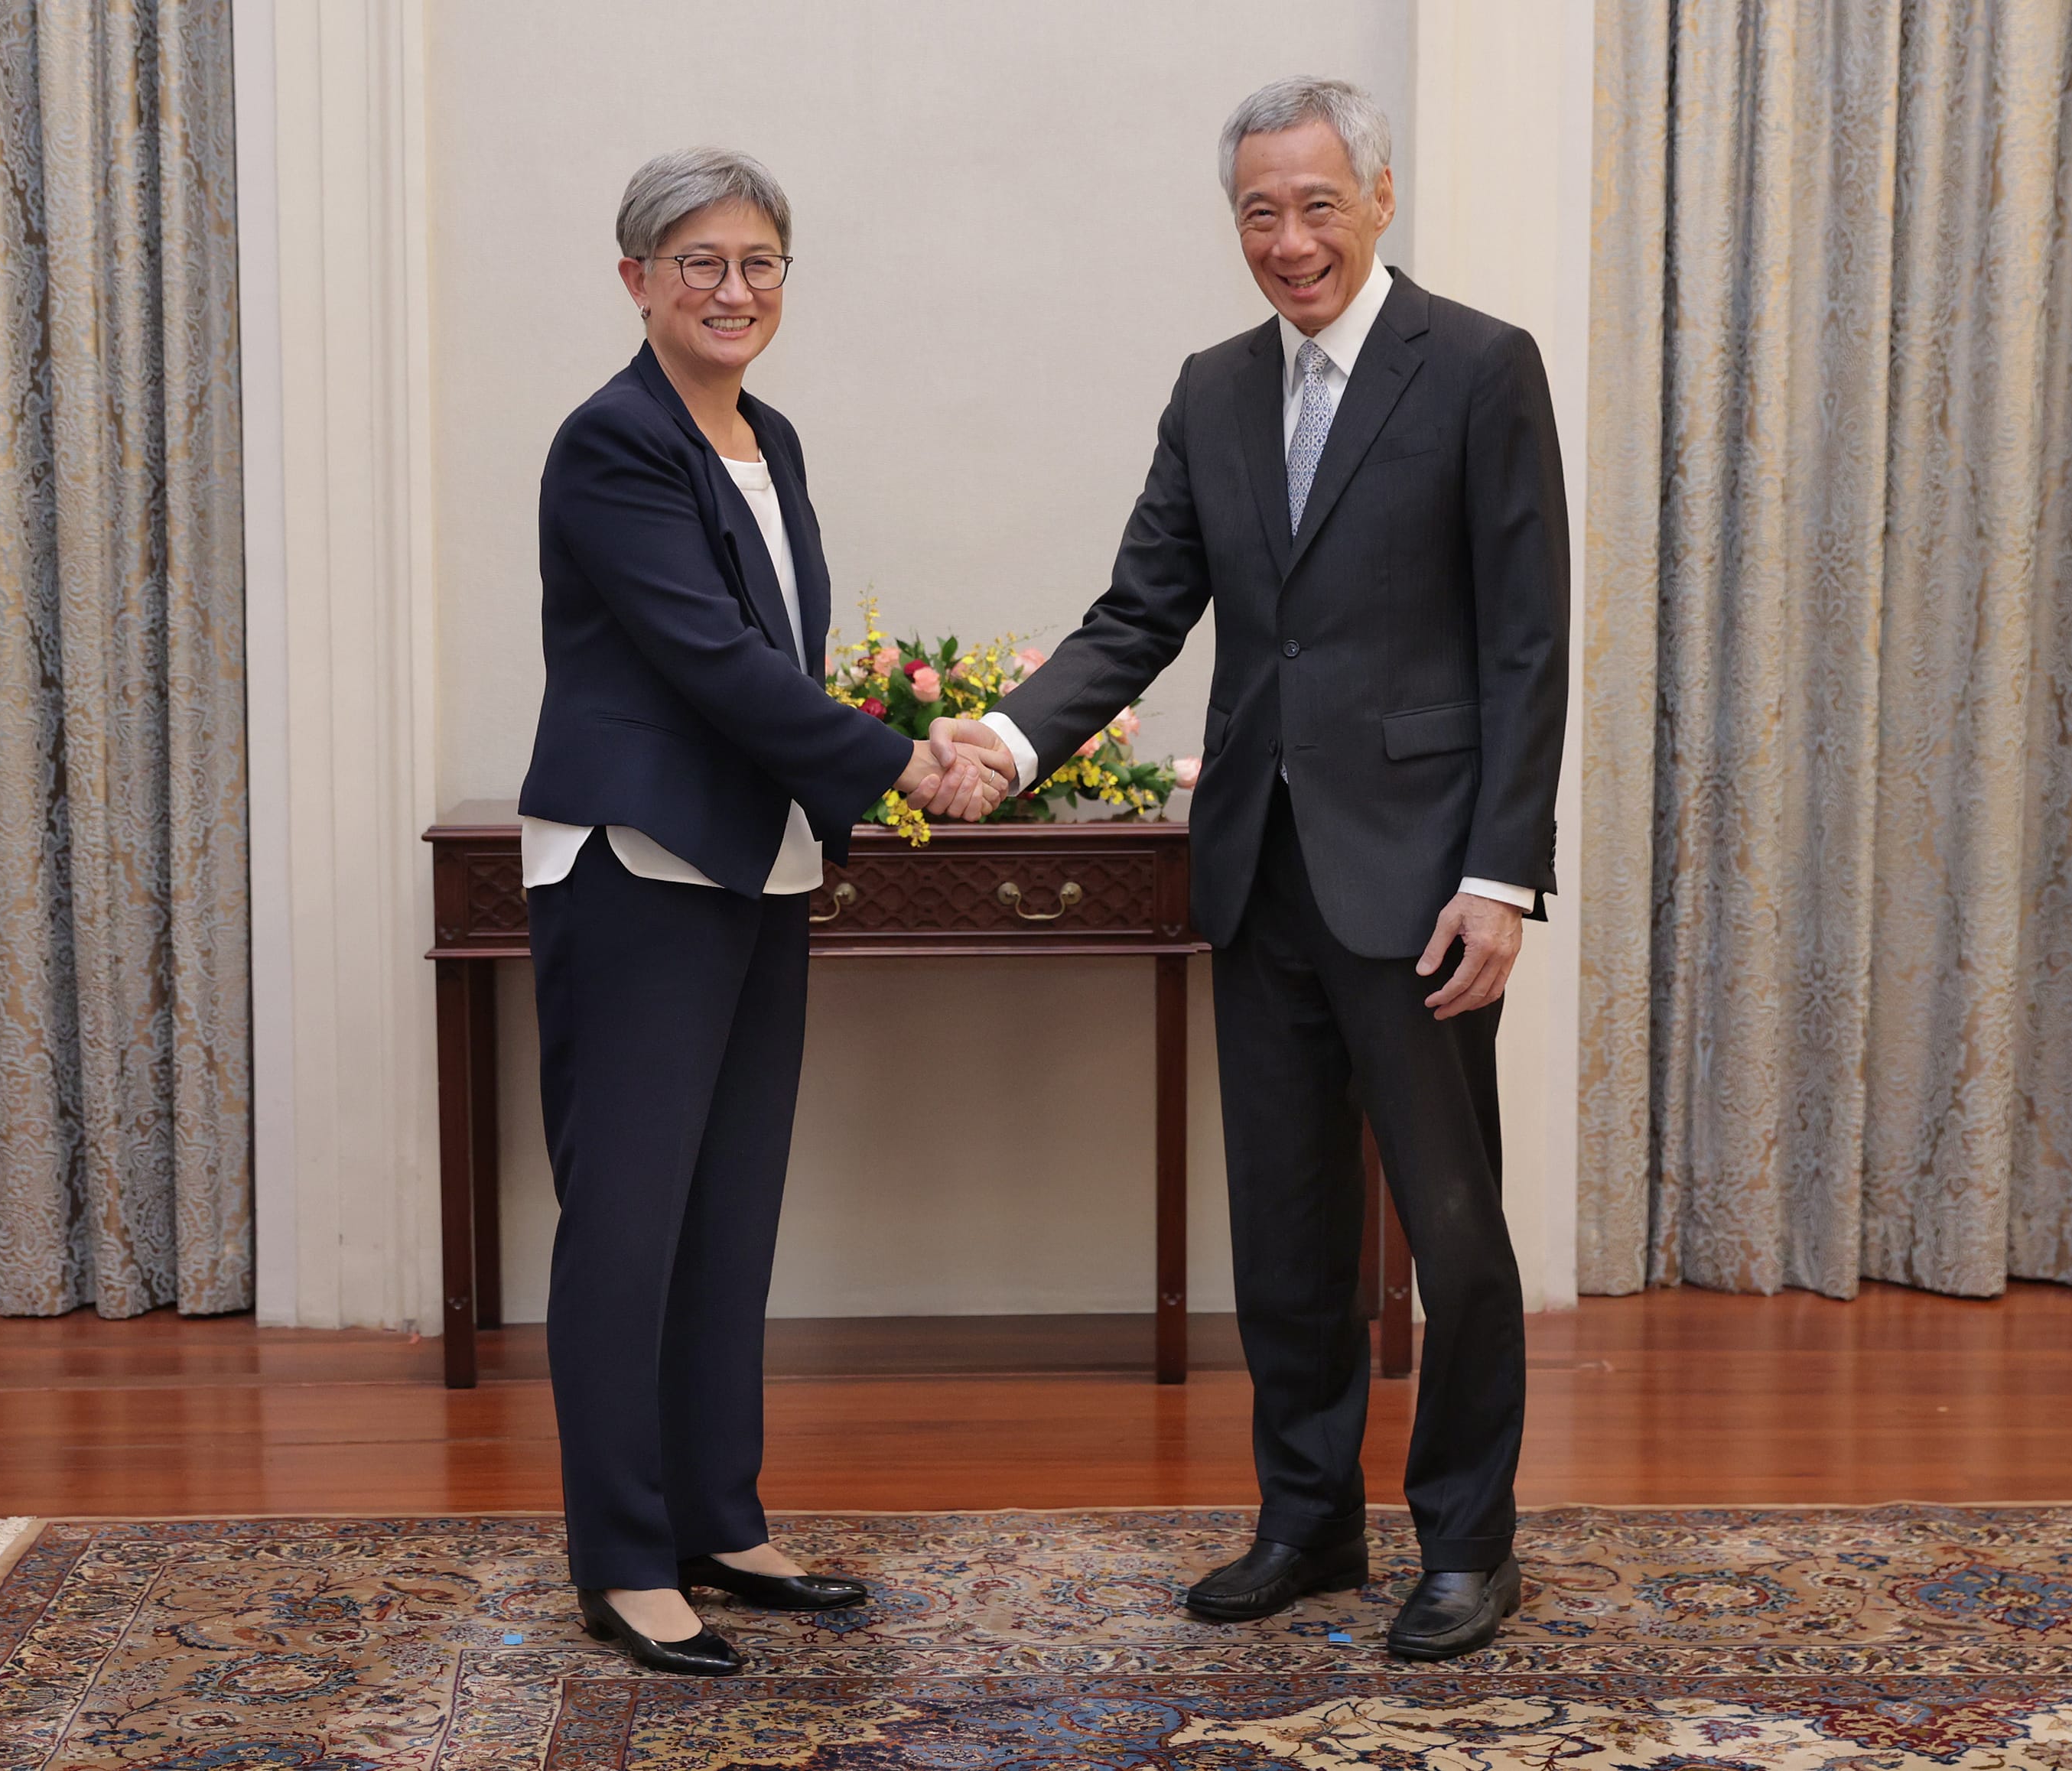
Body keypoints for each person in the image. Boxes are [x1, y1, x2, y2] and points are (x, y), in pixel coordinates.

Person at [942, 76, 1568, 1661]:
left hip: (1424, 881)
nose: (1289, 241)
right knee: (1283, 1226)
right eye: (1258, 213)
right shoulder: (1213, 390)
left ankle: (1468, 1546)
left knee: (1450, 1224)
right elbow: (1138, 611)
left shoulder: (1482, 367)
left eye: (1316, 205)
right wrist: (1010, 748)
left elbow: (1528, 642)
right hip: (1260, 875)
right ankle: (1307, 1522)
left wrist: (1502, 875)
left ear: (1380, 197)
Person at [519, 147, 1003, 1676]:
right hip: (640, 862)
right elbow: (712, 659)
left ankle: (718, 1518)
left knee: (729, 1215)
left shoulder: (765, 436)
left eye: (760, 264)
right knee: (630, 1226)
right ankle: (621, 1558)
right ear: (636, 282)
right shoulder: (612, 444)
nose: (734, 291)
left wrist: (855, 773)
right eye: (699, 263)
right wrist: (897, 767)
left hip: (757, 860)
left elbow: (775, 652)